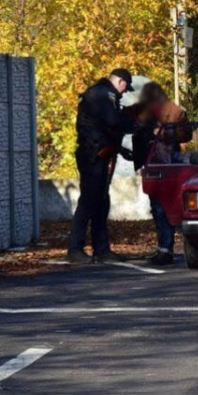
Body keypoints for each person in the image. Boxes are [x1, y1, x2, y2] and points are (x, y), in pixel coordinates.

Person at [67, 68, 136, 264]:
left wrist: (121, 150)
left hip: (99, 153)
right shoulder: (104, 94)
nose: (124, 93)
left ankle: (102, 248)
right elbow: (113, 121)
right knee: (89, 201)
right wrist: (131, 120)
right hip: (93, 155)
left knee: (101, 201)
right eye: (124, 88)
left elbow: (104, 127)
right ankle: (75, 249)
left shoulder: (99, 94)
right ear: (120, 82)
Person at [132, 82, 192, 265]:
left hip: (163, 164)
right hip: (162, 163)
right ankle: (165, 247)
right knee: (161, 207)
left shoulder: (172, 112)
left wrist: (165, 134)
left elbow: (185, 134)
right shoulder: (166, 111)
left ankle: (166, 247)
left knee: (162, 207)